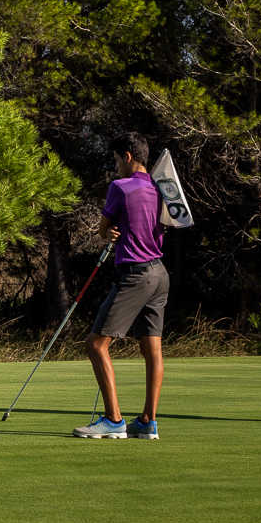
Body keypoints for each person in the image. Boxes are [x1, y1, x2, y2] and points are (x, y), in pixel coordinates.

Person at [73, 134, 167, 439]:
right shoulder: (160, 187)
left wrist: (110, 232)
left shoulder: (120, 187)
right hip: (160, 274)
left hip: (135, 274)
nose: (116, 167)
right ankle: (147, 422)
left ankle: (114, 421)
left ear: (127, 156)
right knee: (151, 348)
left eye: (116, 160)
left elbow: (103, 230)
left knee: (96, 344)